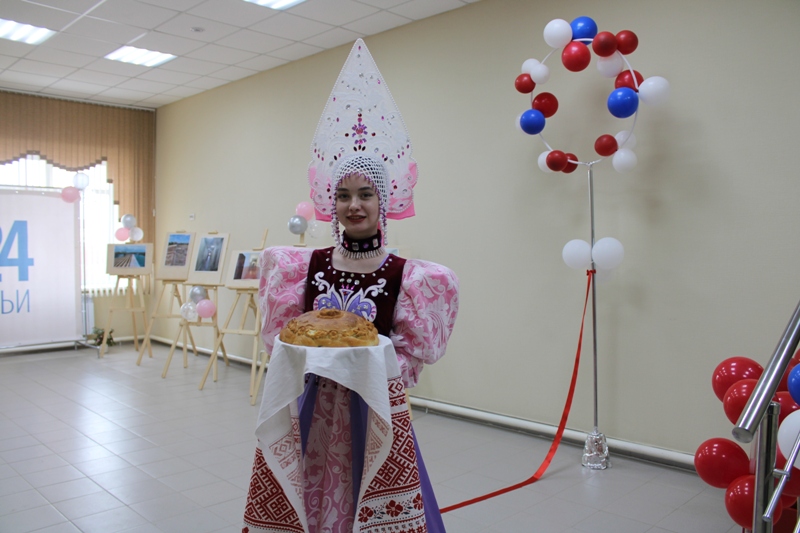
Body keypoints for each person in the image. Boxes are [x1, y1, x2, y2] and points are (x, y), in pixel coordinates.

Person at [242, 40, 459, 533]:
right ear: (331, 202)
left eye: (365, 194)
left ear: (384, 201)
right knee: (314, 497)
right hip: (313, 407)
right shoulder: (304, 266)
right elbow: (285, 342)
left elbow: (406, 358)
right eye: (343, 196)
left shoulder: (407, 276)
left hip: (373, 410)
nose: (353, 206)